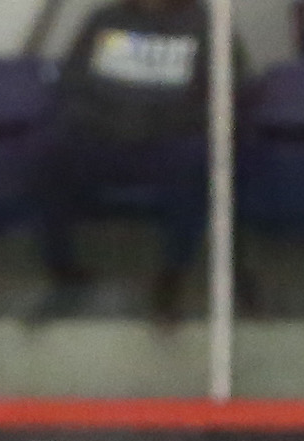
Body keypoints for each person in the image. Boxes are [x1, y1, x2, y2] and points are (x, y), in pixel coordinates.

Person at [34, 0, 232, 325]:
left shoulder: (206, 25)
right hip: (102, 136)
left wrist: (159, 124)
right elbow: (72, 82)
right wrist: (102, 122)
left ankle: (171, 278)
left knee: (198, 160)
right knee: (49, 152)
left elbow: (225, 91)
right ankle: (64, 273)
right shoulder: (104, 19)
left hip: (171, 141)